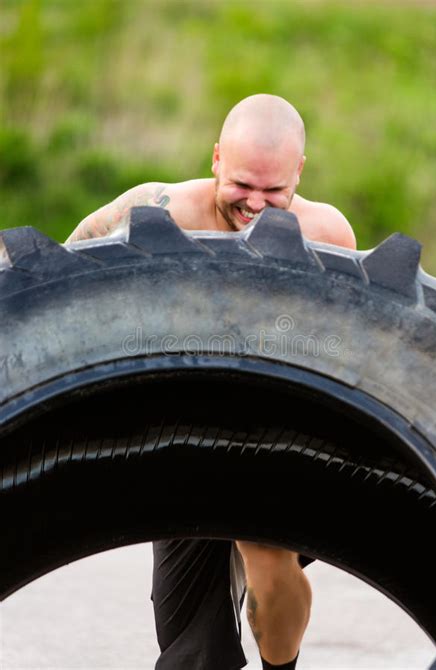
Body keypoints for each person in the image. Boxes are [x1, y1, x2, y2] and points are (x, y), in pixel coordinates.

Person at [65, 94, 356, 670]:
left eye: (274, 191)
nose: (256, 204)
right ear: (217, 158)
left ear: (300, 171)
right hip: (184, 438)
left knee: (269, 556)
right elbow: (51, 273)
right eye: (243, 184)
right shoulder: (158, 211)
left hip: (278, 437)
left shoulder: (325, 236)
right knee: (193, 653)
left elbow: (354, 350)